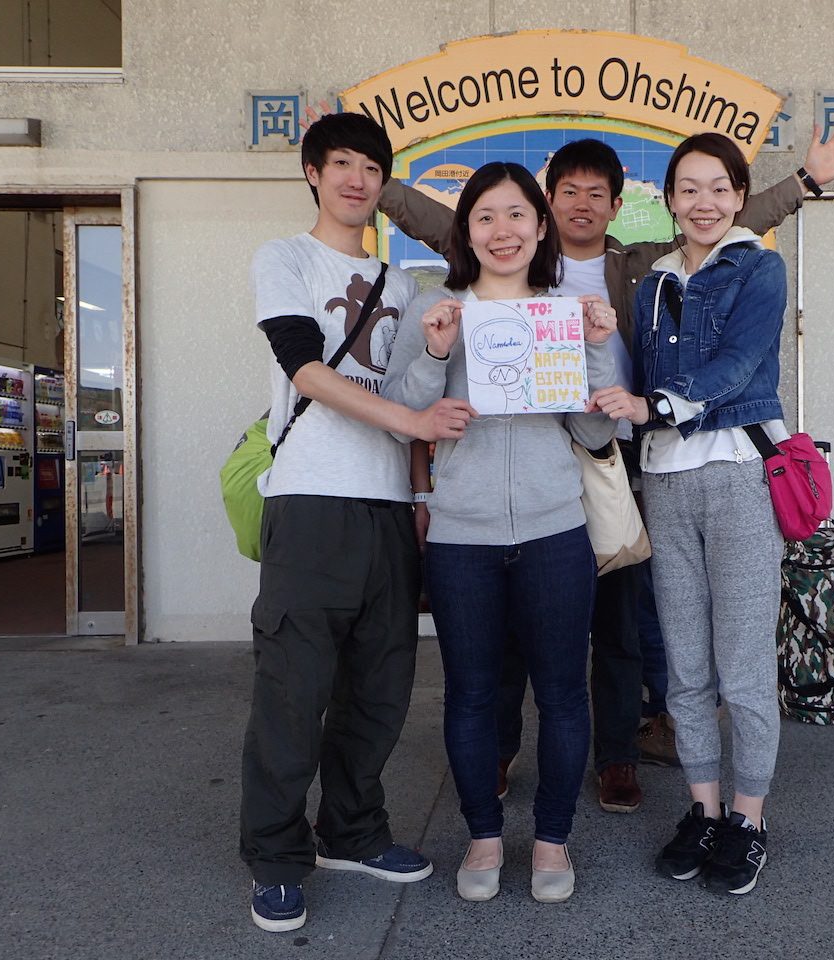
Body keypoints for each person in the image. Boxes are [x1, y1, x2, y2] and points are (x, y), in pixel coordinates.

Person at [378, 122, 834, 813]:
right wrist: (378, 184)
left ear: (618, 206)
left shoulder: (644, 266)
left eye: (597, 193)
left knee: (622, 619)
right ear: (546, 207)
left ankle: (619, 756)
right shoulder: (497, 269)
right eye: (568, 192)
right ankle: (503, 750)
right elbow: (448, 222)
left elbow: (722, 223)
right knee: (515, 624)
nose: (582, 204)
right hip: (539, 465)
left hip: (624, 452)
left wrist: (804, 184)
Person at [239, 112, 477, 934]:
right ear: (313, 171)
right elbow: (303, 362)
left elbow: (406, 395)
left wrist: (438, 353)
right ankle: (276, 855)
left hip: (385, 507)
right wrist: (413, 424)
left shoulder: (402, 285)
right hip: (308, 499)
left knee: (380, 686)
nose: (356, 179)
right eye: (341, 163)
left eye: (371, 168)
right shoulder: (285, 259)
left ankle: (352, 831)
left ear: (384, 183)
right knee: (294, 689)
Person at [382, 161, 617, 904]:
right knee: (472, 695)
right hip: (462, 536)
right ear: (466, 230)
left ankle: (551, 842)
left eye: (517, 215)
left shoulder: (562, 311)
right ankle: (483, 836)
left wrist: (599, 347)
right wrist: (438, 354)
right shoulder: (437, 306)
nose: (503, 230)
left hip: (554, 529)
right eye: (486, 216)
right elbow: (400, 409)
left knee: (561, 694)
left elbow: (593, 426)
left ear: (540, 226)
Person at [588, 131, 789, 897]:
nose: (704, 202)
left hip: (736, 473)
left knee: (741, 667)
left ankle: (748, 818)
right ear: (668, 201)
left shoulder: (760, 266)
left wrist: (655, 403)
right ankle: (702, 809)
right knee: (685, 667)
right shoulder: (653, 283)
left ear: (739, 196)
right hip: (665, 482)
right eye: (689, 189)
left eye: (719, 187)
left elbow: (739, 363)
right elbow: (635, 383)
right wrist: (611, 348)